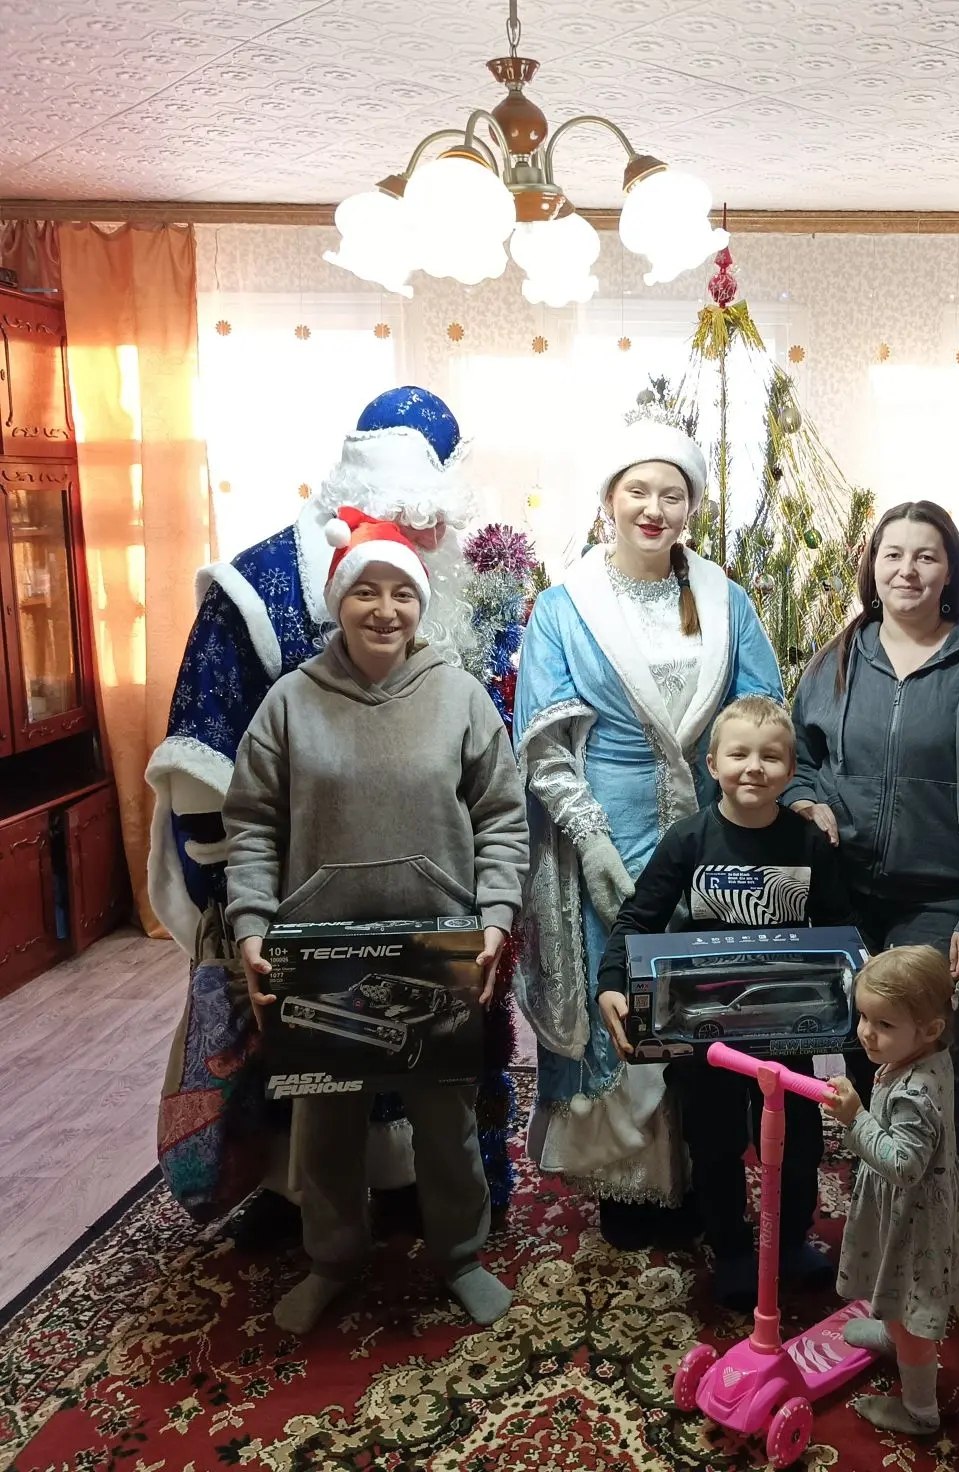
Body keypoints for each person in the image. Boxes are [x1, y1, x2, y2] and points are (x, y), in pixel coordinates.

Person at [149, 387, 490, 1240]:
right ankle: (306, 1216)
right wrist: (239, 905)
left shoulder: (464, 624)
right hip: (309, 908)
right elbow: (213, 771)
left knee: (438, 1092)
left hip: (435, 908)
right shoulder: (258, 591)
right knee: (315, 1086)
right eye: (411, 523)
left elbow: (495, 795)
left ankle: (438, 1221)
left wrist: (492, 902)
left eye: (433, 529)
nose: (424, 546)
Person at [224, 508, 529, 1334]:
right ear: (340, 602)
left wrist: (495, 916)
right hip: (319, 955)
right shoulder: (290, 703)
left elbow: (502, 819)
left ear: (420, 604)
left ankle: (460, 1256)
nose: (385, 609)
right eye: (367, 592)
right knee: (325, 1127)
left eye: (402, 592)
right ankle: (332, 1260)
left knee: (446, 1121)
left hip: (438, 948)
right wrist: (251, 924)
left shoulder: (460, 697)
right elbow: (251, 825)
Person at [512, 418, 783, 1247]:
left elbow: (762, 706)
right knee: (622, 990)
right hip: (608, 828)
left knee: (709, 994)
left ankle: (707, 1174)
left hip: (715, 827)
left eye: (672, 493)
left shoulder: (727, 599)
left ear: (692, 505)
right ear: (609, 499)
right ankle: (630, 1185)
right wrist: (591, 840)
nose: (653, 508)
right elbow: (544, 742)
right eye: (638, 490)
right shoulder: (564, 607)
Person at [787, 500, 959, 1254]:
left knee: (924, 1059)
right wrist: (807, 799)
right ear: (873, 566)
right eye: (893, 554)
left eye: (926, 555)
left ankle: (949, 1226)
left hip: (941, 896)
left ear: (950, 569)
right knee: (867, 1050)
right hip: (847, 893)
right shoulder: (839, 656)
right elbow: (799, 758)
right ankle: (886, 1207)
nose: (908, 570)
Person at [595, 694, 851, 1306]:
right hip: (704, 1032)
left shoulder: (809, 844)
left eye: (770, 757)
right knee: (713, 1142)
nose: (753, 768)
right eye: (738, 754)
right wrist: (610, 981)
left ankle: (791, 1240)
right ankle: (731, 1247)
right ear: (712, 764)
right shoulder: (688, 839)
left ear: (791, 770)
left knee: (799, 1142)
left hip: (788, 1027)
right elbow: (637, 918)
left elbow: (840, 930)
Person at [821, 945, 959, 1435]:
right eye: (864, 1017)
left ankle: (919, 1412)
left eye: (883, 1024)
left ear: (929, 1029)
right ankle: (892, 1334)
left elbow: (903, 1165)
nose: (866, 1032)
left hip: (914, 1217)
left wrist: (856, 1119)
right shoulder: (926, 1055)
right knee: (895, 1295)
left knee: (911, 1316)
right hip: (913, 1207)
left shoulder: (914, 1092)